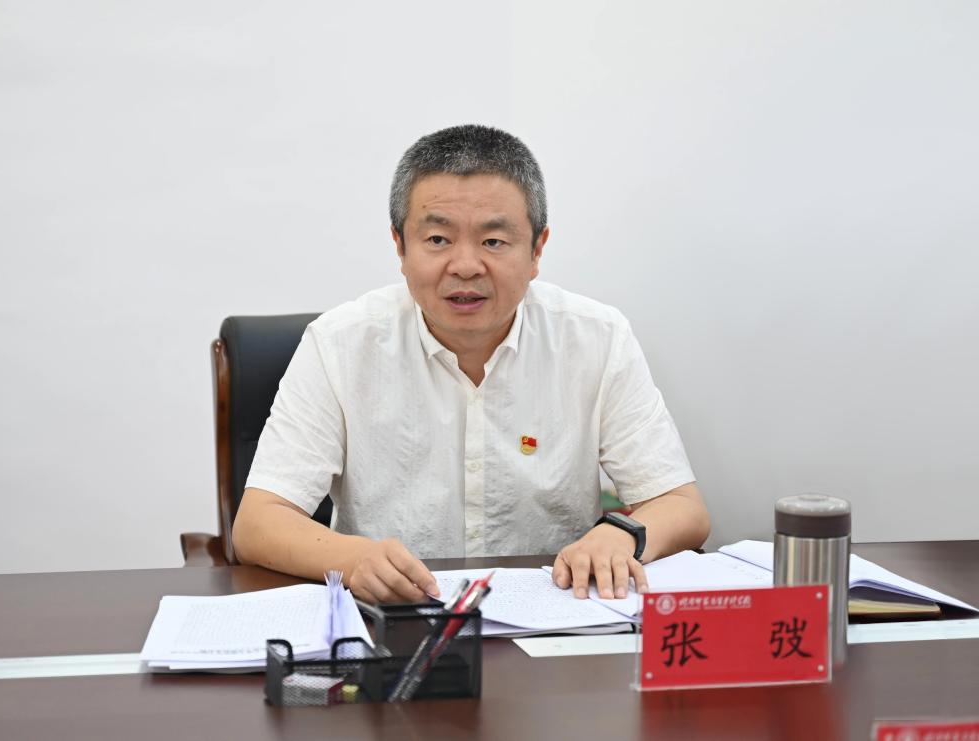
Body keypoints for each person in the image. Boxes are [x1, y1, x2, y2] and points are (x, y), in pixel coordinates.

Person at [232, 124, 710, 604]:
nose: (465, 266)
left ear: (537, 250)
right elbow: (257, 522)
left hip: (555, 618)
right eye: (438, 239)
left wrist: (621, 535)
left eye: (494, 241)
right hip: (393, 618)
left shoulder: (597, 339)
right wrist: (353, 558)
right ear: (400, 247)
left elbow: (681, 506)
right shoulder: (339, 345)